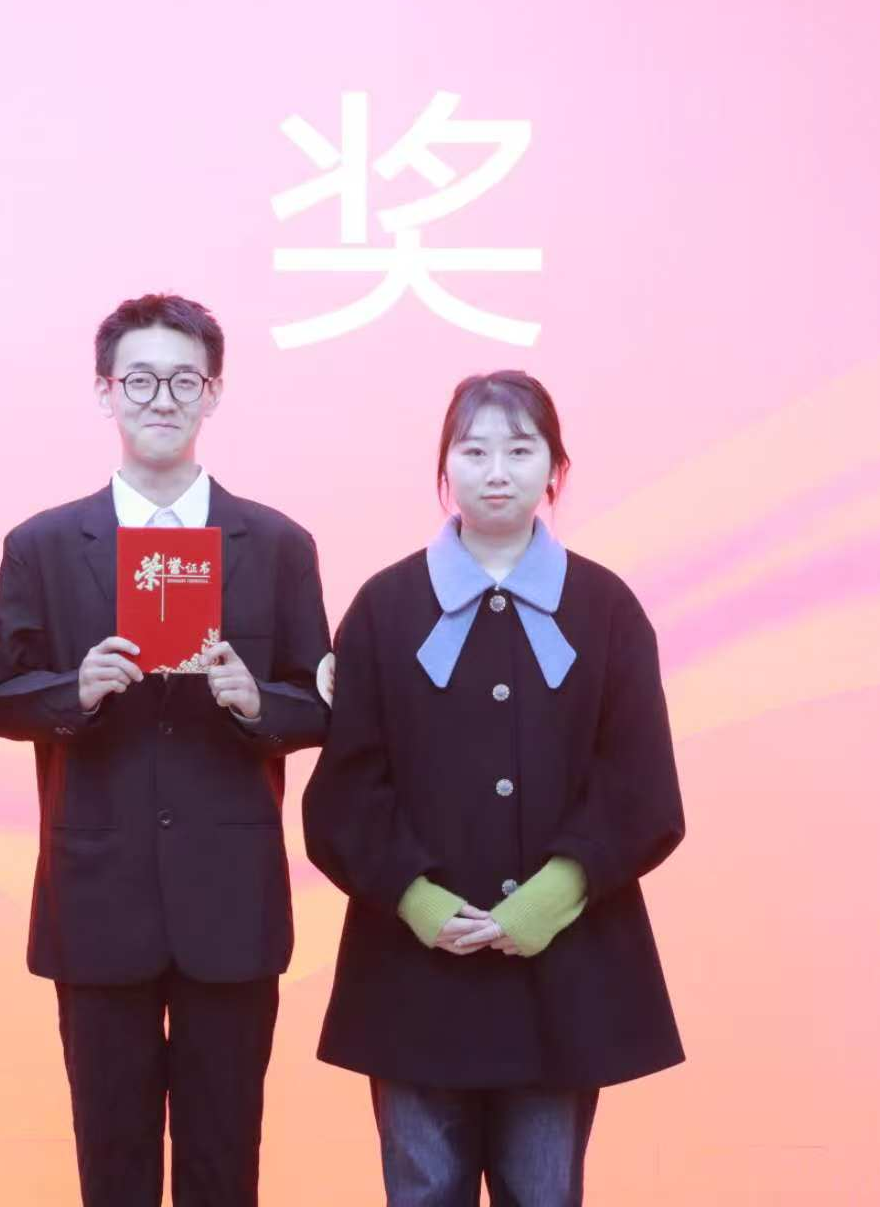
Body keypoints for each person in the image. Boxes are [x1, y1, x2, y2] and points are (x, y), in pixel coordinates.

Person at [302, 370, 685, 1206]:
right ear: (445, 467)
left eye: (520, 450)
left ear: (555, 467)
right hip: (413, 976)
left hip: (561, 971)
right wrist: (419, 902)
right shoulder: (386, 605)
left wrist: (549, 899)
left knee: (543, 1192)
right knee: (423, 1190)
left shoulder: (606, 607)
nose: (497, 471)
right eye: (473, 452)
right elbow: (345, 794)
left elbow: (640, 785)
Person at [0, 293, 331, 1206]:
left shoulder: (277, 545)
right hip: (97, 897)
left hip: (231, 901)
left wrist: (256, 702)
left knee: (225, 1162)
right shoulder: (43, 545)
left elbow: (322, 708)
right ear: (105, 391)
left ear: (213, 393)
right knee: (113, 1162)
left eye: (184, 381)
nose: (161, 399)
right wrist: (75, 691)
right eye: (140, 380)